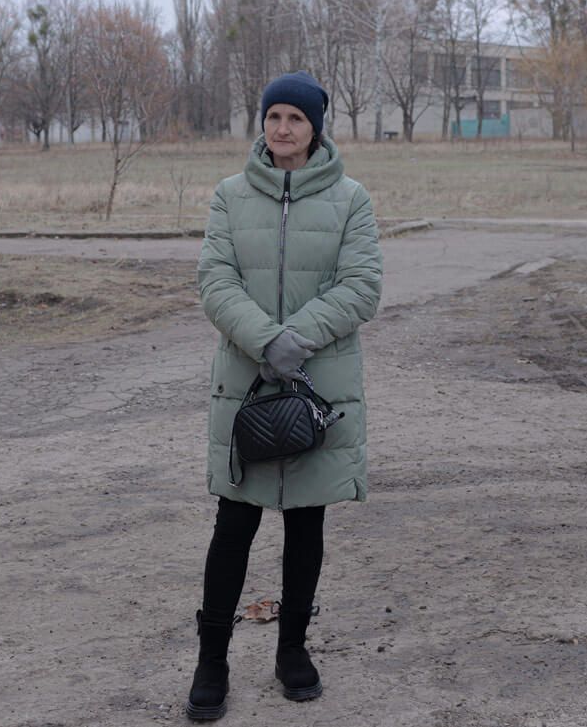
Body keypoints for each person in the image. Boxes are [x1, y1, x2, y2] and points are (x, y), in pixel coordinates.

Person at [185, 70, 383, 720]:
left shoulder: (351, 200)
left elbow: (361, 286)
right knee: (233, 525)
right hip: (245, 383)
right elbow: (215, 280)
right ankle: (212, 660)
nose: (282, 128)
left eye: (296, 118)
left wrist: (295, 340)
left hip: (316, 386)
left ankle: (292, 650)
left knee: (306, 524)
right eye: (274, 116)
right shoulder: (229, 195)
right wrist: (265, 341)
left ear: (315, 128)